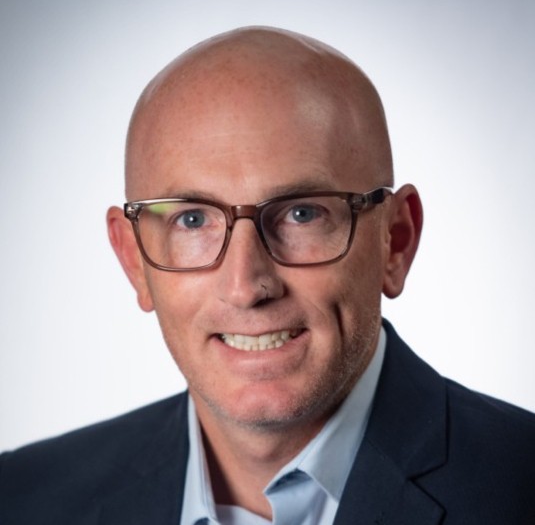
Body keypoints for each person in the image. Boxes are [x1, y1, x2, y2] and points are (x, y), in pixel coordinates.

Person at [1, 26, 534, 525]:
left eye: (302, 213)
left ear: (394, 240)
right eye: (192, 220)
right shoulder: (24, 497)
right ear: (134, 259)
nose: (246, 285)